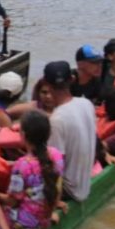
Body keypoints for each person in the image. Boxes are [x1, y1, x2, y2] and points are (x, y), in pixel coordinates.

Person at [0, 110, 64, 229]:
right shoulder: (56, 155)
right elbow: (57, 187)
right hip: (45, 219)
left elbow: (12, 201)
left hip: (26, 225)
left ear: (23, 135)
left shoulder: (22, 165)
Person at [42, 61, 97, 201]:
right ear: (72, 80)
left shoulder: (57, 119)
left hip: (70, 190)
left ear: (47, 85)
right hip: (84, 184)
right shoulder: (86, 104)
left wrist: (54, 201)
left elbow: (56, 167)